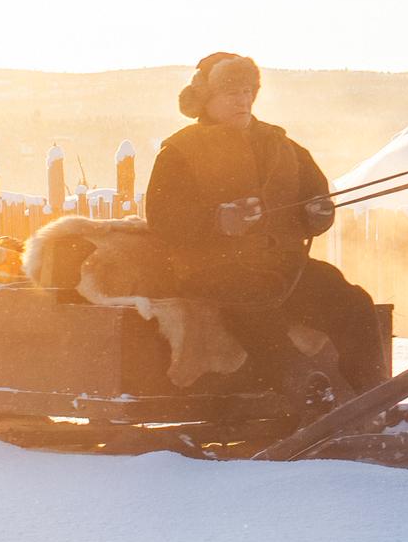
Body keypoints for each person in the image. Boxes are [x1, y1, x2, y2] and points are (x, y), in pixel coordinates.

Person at [144, 51, 388, 391]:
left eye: (247, 92)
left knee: (354, 304)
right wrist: (218, 220)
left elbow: (314, 199)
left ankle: (375, 399)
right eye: (231, 93)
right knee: (256, 313)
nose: (242, 101)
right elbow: (163, 217)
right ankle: (309, 395)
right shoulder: (180, 152)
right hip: (214, 273)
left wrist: (317, 213)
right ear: (205, 98)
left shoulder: (283, 146)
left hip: (284, 270)